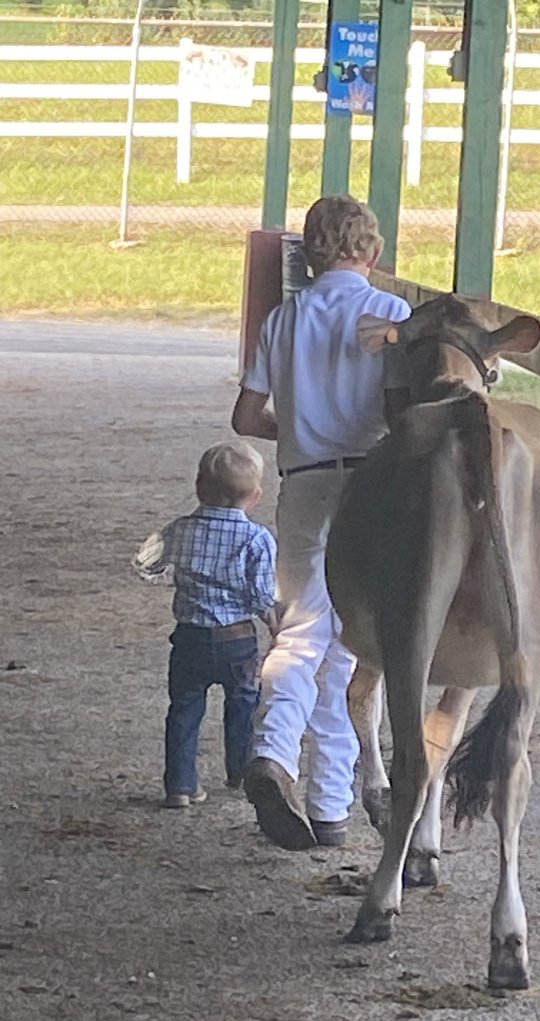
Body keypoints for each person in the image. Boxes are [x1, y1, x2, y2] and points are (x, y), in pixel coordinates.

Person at [231, 194, 411, 852]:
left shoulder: (283, 319)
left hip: (303, 483)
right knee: (355, 643)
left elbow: (245, 418)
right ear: (374, 251)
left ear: (307, 257)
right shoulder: (391, 314)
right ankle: (329, 802)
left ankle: (277, 755)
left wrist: (298, 434)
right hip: (372, 483)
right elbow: (404, 411)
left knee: (303, 627)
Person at [133, 442, 277, 810]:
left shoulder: (178, 530)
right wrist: (275, 624)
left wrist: (169, 575)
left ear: (199, 488)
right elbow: (261, 595)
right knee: (243, 704)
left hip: (189, 639)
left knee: (183, 709)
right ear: (255, 496)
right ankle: (240, 772)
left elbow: (144, 562)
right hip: (237, 640)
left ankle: (180, 786)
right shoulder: (257, 539)